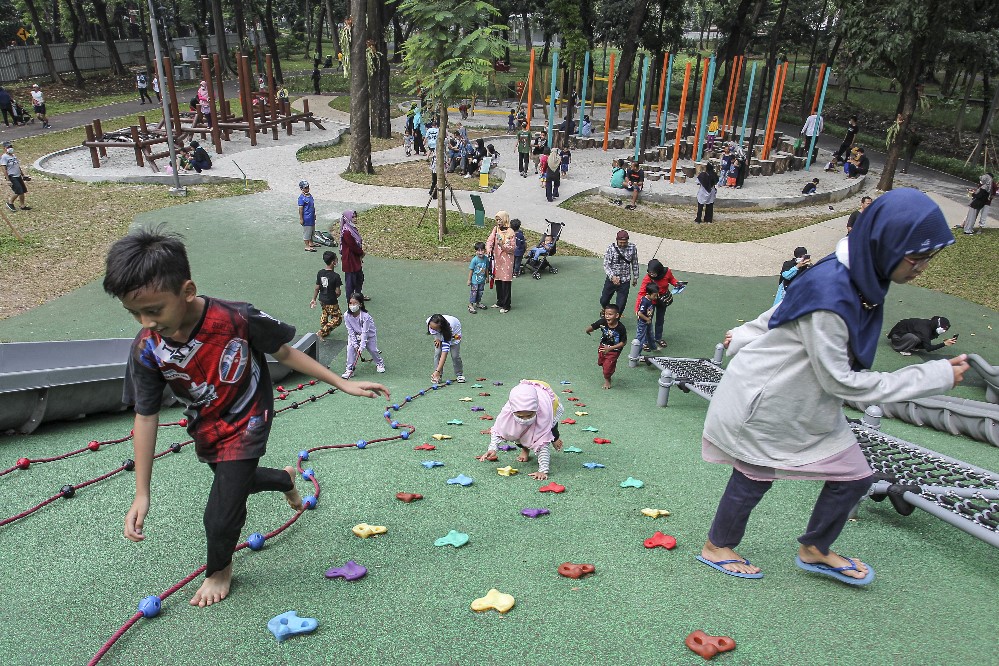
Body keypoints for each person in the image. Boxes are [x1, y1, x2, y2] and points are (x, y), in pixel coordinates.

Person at [103, 229, 389, 608]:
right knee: (238, 482)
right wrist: (142, 492)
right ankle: (284, 479)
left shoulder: (236, 317)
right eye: (134, 313)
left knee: (220, 515)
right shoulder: (147, 348)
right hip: (207, 426)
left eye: (154, 310)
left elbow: (284, 352)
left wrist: (340, 382)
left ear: (187, 291)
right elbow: (145, 415)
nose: (146, 321)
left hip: (250, 416)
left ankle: (220, 570)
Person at [697, 188, 968, 584]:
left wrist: (745, 333)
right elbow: (843, 382)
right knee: (754, 474)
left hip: (804, 401)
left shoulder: (857, 270)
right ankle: (717, 546)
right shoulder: (832, 292)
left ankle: (815, 548)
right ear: (887, 243)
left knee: (855, 476)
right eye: (917, 256)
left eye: (929, 256)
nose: (923, 266)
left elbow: (785, 308)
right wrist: (934, 376)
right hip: (768, 402)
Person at [476, 380, 565, 480]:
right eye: (520, 416)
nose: (525, 419)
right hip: (522, 414)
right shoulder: (507, 414)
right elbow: (498, 431)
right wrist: (492, 448)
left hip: (547, 404)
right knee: (518, 433)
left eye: (529, 415)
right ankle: (525, 449)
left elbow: (543, 444)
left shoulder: (544, 413)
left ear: (536, 410)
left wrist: (543, 471)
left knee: (551, 429)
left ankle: (555, 438)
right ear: (512, 411)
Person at [635, 258, 682, 349]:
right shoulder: (647, 278)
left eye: (653, 273)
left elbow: (671, 279)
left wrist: (676, 284)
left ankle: (658, 338)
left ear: (659, 270)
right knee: (648, 320)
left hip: (662, 299)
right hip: (651, 302)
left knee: (660, 319)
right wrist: (637, 309)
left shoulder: (667, 272)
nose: (651, 274)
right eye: (650, 272)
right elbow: (641, 293)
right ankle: (645, 341)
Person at [342, 293, 385, 377]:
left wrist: (361, 347)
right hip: (354, 335)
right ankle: (349, 370)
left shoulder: (366, 317)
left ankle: (380, 363)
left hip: (369, 335)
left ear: (360, 304)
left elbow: (365, 332)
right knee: (350, 350)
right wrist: (355, 344)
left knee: (373, 350)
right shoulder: (346, 315)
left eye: (355, 303)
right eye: (350, 303)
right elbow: (350, 330)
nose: (352, 305)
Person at [585, 305, 628, 389]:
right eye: (606, 314)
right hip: (603, 346)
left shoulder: (621, 328)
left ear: (617, 315)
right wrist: (588, 330)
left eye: (610, 314)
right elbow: (594, 326)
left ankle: (607, 379)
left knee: (607, 368)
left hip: (614, 349)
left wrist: (610, 349)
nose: (607, 316)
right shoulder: (603, 322)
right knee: (601, 362)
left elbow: (623, 342)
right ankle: (608, 366)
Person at [600, 230, 640, 313]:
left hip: (625, 280)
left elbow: (634, 262)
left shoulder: (632, 248)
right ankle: (606, 310)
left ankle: (615, 320)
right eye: (620, 242)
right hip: (612, 279)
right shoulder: (611, 248)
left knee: (621, 305)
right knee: (604, 300)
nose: (622, 244)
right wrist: (612, 276)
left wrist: (635, 277)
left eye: (624, 242)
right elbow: (606, 265)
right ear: (617, 240)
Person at [485, 211, 516, 312]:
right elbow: (490, 240)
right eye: (497, 220)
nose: (498, 222)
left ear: (505, 219)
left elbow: (512, 248)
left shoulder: (511, 232)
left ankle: (507, 305)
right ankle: (500, 301)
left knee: (506, 282)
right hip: (497, 259)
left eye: (500, 220)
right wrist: (489, 249)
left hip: (507, 260)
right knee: (497, 280)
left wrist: (502, 245)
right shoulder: (496, 229)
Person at [887, 316, 957, 357]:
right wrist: (944, 344)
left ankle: (911, 345)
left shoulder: (931, 325)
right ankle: (901, 348)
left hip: (903, 334)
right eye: (944, 328)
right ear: (938, 326)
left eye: (946, 329)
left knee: (922, 339)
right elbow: (928, 348)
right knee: (915, 338)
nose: (944, 331)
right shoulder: (924, 330)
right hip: (897, 337)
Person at [311, 250, 343, 340]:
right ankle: (321, 332)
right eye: (336, 260)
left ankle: (325, 330)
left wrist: (313, 299)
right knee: (338, 318)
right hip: (331, 300)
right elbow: (338, 292)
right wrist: (336, 295)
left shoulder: (320, 272)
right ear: (333, 262)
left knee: (325, 312)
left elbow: (317, 287)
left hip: (322, 299)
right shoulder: (336, 276)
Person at [428, 313, 465, 383]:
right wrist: (437, 338)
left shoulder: (451, 328)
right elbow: (433, 331)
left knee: (455, 356)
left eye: (435, 328)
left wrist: (437, 371)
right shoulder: (429, 321)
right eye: (431, 327)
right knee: (437, 352)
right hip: (441, 333)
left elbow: (444, 352)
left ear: (440, 327)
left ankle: (459, 374)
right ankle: (438, 376)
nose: (432, 329)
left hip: (454, 335)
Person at [340, 210, 366, 299]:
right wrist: (361, 252)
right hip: (350, 259)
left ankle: (358, 296)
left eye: (355, 216)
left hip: (354, 258)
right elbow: (352, 246)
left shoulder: (352, 228)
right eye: (353, 217)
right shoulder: (347, 231)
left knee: (359, 278)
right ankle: (350, 299)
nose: (355, 219)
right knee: (350, 281)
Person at [2, 141, 29, 211]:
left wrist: (23, 175)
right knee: (18, 191)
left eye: (11, 147)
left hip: (18, 176)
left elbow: (17, 166)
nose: (10, 148)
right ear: (4, 148)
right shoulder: (4, 157)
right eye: (8, 147)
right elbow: (4, 169)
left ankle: (22, 205)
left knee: (22, 190)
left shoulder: (13, 156)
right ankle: (10, 202)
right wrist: (8, 180)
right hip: (12, 176)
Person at [635, 283, 659, 352]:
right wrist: (647, 319)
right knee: (640, 338)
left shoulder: (650, 300)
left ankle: (653, 347)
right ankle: (636, 354)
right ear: (648, 294)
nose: (656, 297)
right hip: (643, 322)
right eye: (654, 295)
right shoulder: (644, 301)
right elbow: (639, 313)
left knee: (650, 334)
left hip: (648, 321)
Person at [467, 242, 489, 314]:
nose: (480, 252)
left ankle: (478, 303)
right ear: (476, 251)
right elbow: (471, 270)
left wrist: (487, 277)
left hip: (482, 280)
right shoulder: (474, 260)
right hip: (474, 281)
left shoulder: (486, 259)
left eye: (482, 250)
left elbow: (486, 269)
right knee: (474, 292)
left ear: (484, 250)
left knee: (480, 292)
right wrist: (469, 280)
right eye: (478, 250)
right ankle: (470, 305)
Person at [297, 181, 317, 252]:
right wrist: (301, 218)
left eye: (308, 187)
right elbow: (301, 209)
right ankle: (307, 246)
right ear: (302, 189)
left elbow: (312, 206)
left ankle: (311, 243)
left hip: (311, 217)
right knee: (307, 232)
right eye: (305, 188)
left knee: (312, 231)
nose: (307, 189)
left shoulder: (310, 195)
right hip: (306, 218)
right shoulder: (301, 198)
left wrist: (314, 214)